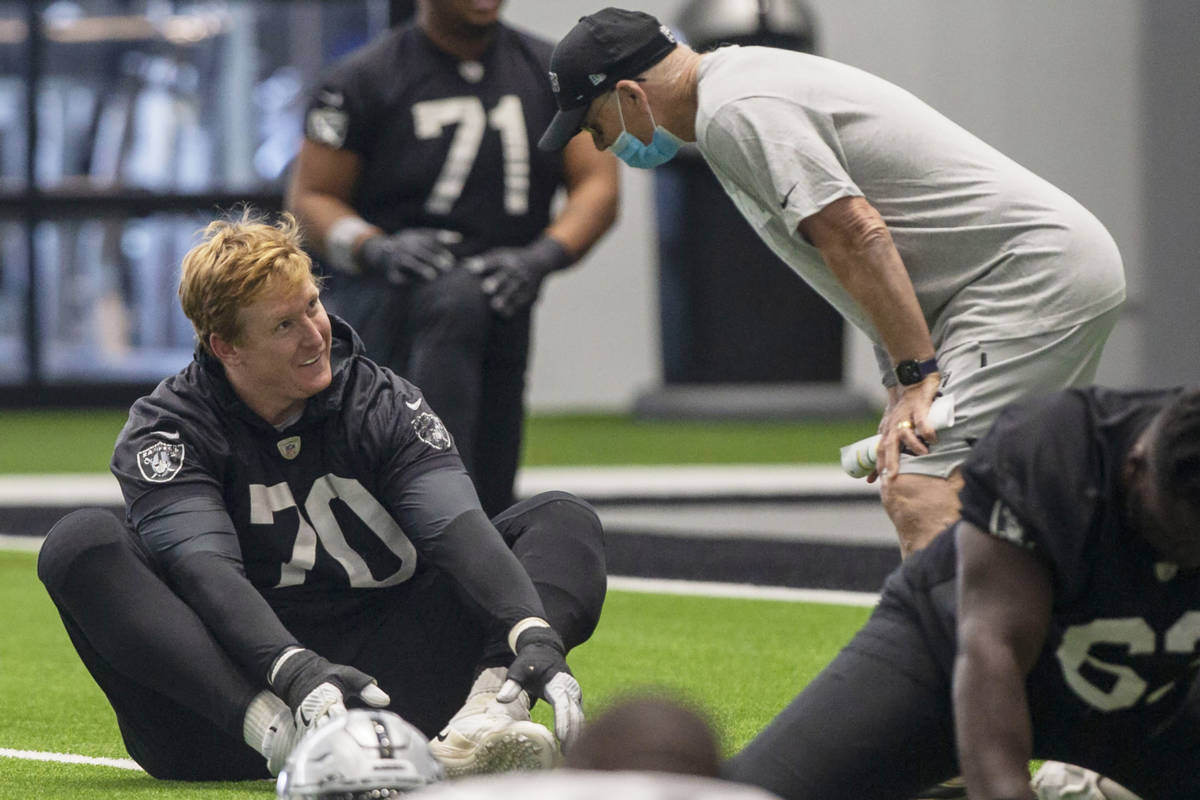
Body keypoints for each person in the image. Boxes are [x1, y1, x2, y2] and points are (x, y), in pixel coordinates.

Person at [35, 211, 607, 781]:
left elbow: (455, 525)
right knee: (79, 542)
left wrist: (530, 628)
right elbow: (205, 572)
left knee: (562, 518)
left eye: (312, 305)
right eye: (284, 325)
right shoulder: (170, 429)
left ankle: (487, 713)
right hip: (233, 705)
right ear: (226, 347)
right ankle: (282, 740)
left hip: (393, 683)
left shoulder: (379, 402)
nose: (315, 334)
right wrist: (294, 675)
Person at [536, 8, 1125, 557]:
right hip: (1015, 281)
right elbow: (857, 260)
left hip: (1028, 280)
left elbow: (858, 234)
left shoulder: (736, 108)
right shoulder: (733, 93)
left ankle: (950, 668)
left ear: (631, 95)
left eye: (595, 127)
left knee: (918, 487)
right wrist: (900, 385)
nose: (603, 147)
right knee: (1001, 501)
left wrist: (917, 374)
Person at [716, 384, 1200, 800]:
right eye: (1179, 537)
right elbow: (993, 648)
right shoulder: (1052, 450)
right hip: (948, 659)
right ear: (1134, 468)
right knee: (756, 793)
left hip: (1159, 691)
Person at [286, 0, 619, 518]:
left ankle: (479, 544)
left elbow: (596, 182)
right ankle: (436, 518)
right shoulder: (363, 78)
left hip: (503, 292)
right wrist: (375, 247)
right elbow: (311, 197)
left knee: (495, 465)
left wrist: (540, 258)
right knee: (448, 316)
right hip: (395, 299)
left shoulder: (548, 70)